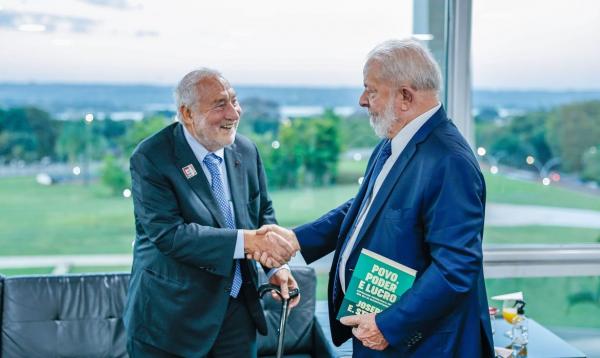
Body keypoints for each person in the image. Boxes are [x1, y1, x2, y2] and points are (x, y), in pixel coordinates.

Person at [256, 39, 494, 357]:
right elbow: (363, 209)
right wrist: (295, 240)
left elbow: (456, 267)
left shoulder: (450, 161)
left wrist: (388, 325)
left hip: (418, 342)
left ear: (406, 97)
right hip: (375, 329)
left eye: (371, 91)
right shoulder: (393, 140)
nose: (362, 101)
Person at [123, 68, 300, 357]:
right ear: (187, 113)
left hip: (238, 317)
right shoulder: (152, 157)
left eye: (234, 100)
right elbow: (170, 235)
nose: (234, 113)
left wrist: (276, 267)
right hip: (171, 321)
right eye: (220, 104)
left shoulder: (246, 150)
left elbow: (262, 213)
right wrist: (249, 242)